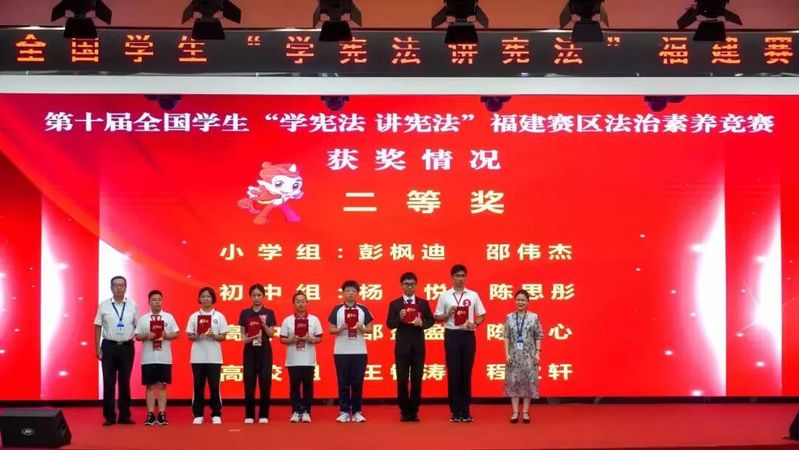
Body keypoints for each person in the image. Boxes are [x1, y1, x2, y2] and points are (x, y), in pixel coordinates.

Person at [434, 264, 486, 423]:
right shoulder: (444, 296)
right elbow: (437, 317)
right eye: (457, 275)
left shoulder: (473, 295)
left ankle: (466, 410)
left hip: (468, 335)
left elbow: (482, 314)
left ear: (466, 277)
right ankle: (455, 411)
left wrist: (475, 324)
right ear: (452, 277)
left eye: (463, 275)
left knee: (466, 372)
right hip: (452, 335)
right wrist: (448, 314)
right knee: (454, 372)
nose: (460, 279)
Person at [386, 272, 435, 422]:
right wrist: (400, 319)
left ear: (416, 285)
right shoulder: (395, 304)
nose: (409, 287)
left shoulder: (422, 303)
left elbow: (431, 320)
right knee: (402, 380)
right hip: (402, 347)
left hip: (418, 347)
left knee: (416, 379)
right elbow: (389, 324)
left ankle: (414, 411)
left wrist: (422, 324)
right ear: (401, 285)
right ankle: (404, 411)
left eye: (412, 284)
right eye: (406, 284)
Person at [94, 275, 138, 426]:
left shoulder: (133, 305)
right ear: (111, 288)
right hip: (109, 347)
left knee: (125, 382)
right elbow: (97, 325)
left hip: (127, 347)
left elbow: (138, 325)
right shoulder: (104, 305)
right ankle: (109, 416)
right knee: (109, 382)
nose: (119, 288)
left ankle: (125, 415)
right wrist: (97, 347)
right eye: (116, 285)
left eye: (122, 285)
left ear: (126, 287)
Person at [328, 280, 374, 423]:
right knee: (343, 382)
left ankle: (357, 411)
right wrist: (340, 329)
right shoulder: (337, 309)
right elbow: (331, 329)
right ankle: (343, 411)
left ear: (357, 293)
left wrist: (362, 327)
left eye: (353, 291)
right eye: (347, 291)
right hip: (341, 352)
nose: (350, 293)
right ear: (343, 293)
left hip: (359, 351)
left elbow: (370, 329)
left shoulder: (363, 309)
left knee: (357, 382)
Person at [135, 289, 180, 426]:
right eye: (154, 299)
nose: (157, 302)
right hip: (148, 358)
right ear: (149, 302)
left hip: (164, 357)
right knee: (150, 386)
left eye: (159, 299)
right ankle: (150, 414)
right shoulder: (143, 318)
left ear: (162, 301)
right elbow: (137, 336)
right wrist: (146, 336)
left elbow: (176, 334)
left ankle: (161, 413)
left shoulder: (168, 317)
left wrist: (167, 335)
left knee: (162, 386)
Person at [186, 287, 229, 425]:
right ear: (199, 299)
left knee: (214, 386)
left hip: (214, 358)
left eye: (208, 296)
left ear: (213, 299)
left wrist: (213, 335)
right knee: (198, 386)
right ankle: (198, 414)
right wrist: (197, 335)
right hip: (197, 357)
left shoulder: (219, 316)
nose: (205, 299)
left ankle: (216, 413)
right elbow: (189, 336)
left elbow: (223, 337)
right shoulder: (194, 316)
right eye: (203, 296)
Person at [279, 291, 323, 423]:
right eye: (297, 301)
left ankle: (306, 412)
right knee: (294, 386)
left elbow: (320, 338)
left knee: (308, 386)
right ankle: (296, 411)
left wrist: (310, 339)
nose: (300, 304)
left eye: (303, 301)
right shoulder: (288, 320)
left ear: (306, 302)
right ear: (293, 303)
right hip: (293, 360)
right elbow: (282, 339)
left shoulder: (314, 319)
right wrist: (291, 339)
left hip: (308, 359)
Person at [239, 284, 277, 424]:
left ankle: (263, 415)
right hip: (249, 349)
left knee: (265, 381)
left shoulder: (269, 313)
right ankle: (249, 414)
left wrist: (264, 324)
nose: (256, 298)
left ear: (263, 296)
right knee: (249, 381)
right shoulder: (245, 313)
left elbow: (272, 334)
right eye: (254, 295)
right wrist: (251, 338)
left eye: (259, 295)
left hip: (265, 348)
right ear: (250, 296)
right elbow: (243, 338)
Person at [504, 289, 543, 424]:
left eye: (523, 300)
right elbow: (506, 336)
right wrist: (506, 353)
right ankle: (515, 412)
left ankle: (525, 412)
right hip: (513, 355)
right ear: (515, 301)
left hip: (529, 355)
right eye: (518, 300)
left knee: (528, 382)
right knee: (513, 382)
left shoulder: (534, 317)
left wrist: (538, 353)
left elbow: (538, 336)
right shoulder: (509, 317)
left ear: (528, 302)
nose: (520, 302)